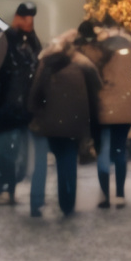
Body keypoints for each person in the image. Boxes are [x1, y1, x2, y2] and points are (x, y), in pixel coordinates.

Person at [23, 29, 102, 218]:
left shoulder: (46, 63)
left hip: (49, 124)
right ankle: (67, 204)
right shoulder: (83, 65)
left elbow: (34, 96)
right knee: (68, 163)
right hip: (74, 124)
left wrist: (39, 112)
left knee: (40, 163)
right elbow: (95, 94)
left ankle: (36, 204)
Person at [0, 3, 40, 205]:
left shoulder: (33, 43)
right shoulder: (6, 40)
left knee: (17, 156)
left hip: (23, 111)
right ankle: (2, 190)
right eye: (25, 16)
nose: (29, 21)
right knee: (5, 152)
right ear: (17, 17)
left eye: (31, 17)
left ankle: (9, 190)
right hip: (6, 109)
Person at [77, 20, 131, 209]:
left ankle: (105, 196)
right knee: (120, 149)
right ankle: (120, 195)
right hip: (127, 104)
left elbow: (86, 60)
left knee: (104, 151)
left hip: (104, 107)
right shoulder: (130, 50)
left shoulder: (98, 51)